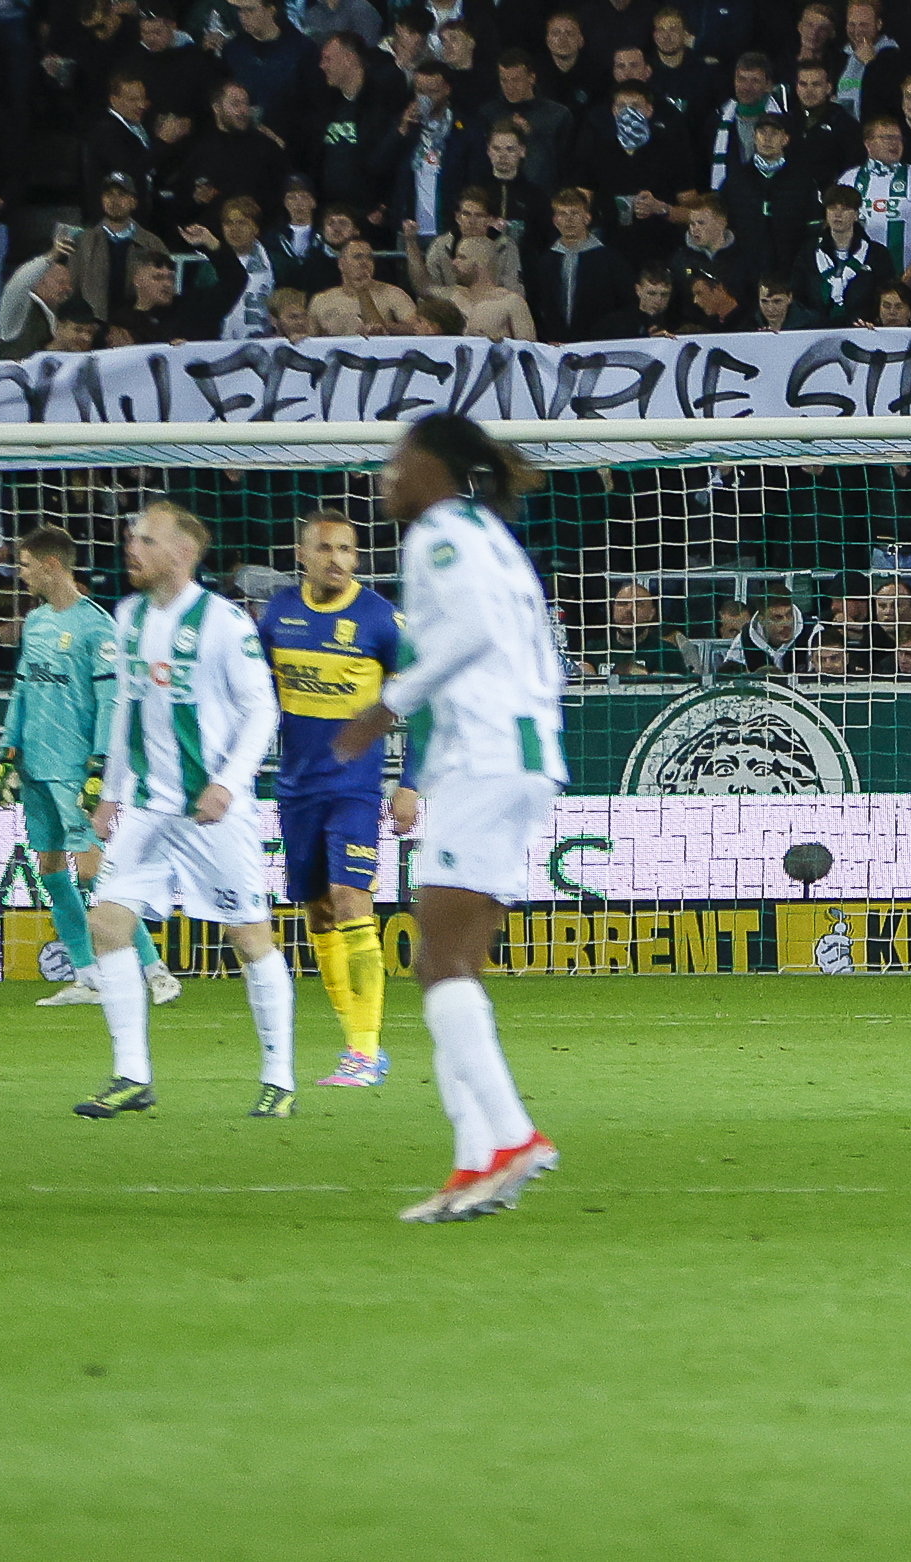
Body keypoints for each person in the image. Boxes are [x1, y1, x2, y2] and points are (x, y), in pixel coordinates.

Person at [330, 414, 566, 1223]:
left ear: (429, 465)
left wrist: (380, 709)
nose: (384, 478)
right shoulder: (486, 533)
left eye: (395, 461)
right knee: (452, 963)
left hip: (489, 759)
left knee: (437, 963)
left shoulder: (438, 532)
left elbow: (472, 631)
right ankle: (475, 1166)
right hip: (517, 755)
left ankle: (509, 1139)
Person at [72, 499, 294, 1122]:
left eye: (145, 539)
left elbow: (262, 711)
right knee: (107, 924)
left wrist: (225, 783)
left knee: (249, 938)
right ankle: (130, 1075)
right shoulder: (127, 616)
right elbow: (126, 712)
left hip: (212, 814)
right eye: (131, 537)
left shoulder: (223, 623)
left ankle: (279, 1078)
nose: (131, 547)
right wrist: (110, 794)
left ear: (182, 551)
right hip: (147, 809)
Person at [257, 509, 412, 1090]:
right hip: (295, 790)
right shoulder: (277, 615)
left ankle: (366, 1052)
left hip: (354, 790)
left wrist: (411, 782)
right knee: (318, 912)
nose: (337, 560)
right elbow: (250, 695)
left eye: (347, 549)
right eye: (324, 549)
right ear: (302, 555)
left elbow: (423, 703)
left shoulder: (381, 620)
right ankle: (356, 1039)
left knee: (353, 902)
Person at [0, 524, 174, 1009]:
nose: (22, 574)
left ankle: (155, 970)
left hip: (75, 767)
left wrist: (99, 766)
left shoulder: (98, 627)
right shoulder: (34, 623)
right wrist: (7, 752)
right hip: (35, 763)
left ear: (52, 565)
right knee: (50, 866)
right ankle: (86, 975)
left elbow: (110, 703)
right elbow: (22, 689)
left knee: (96, 873)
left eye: (26, 565)